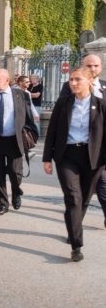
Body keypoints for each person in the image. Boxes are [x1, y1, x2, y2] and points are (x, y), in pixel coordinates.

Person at [43, 67, 106, 262]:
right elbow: (51, 130)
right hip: (67, 155)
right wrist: (46, 158)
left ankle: (73, 225)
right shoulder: (64, 103)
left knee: (84, 199)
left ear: (89, 81)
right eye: (71, 80)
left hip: (93, 157)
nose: (73, 83)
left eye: (77, 79)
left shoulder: (101, 104)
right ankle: (76, 245)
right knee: (72, 197)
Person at [58, 54, 106, 227]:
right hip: (75, 150)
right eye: (89, 65)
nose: (93, 69)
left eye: (96, 66)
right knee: (78, 195)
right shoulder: (69, 86)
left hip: (99, 149)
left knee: (102, 187)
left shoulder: (104, 87)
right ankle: (75, 227)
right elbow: (61, 114)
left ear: (100, 67)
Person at [0, 69, 38, 215]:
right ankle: (2, 203)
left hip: (14, 140)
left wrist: (32, 137)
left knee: (15, 172)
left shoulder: (21, 95)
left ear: (7, 80)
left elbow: (29, 118)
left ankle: (16, 192)